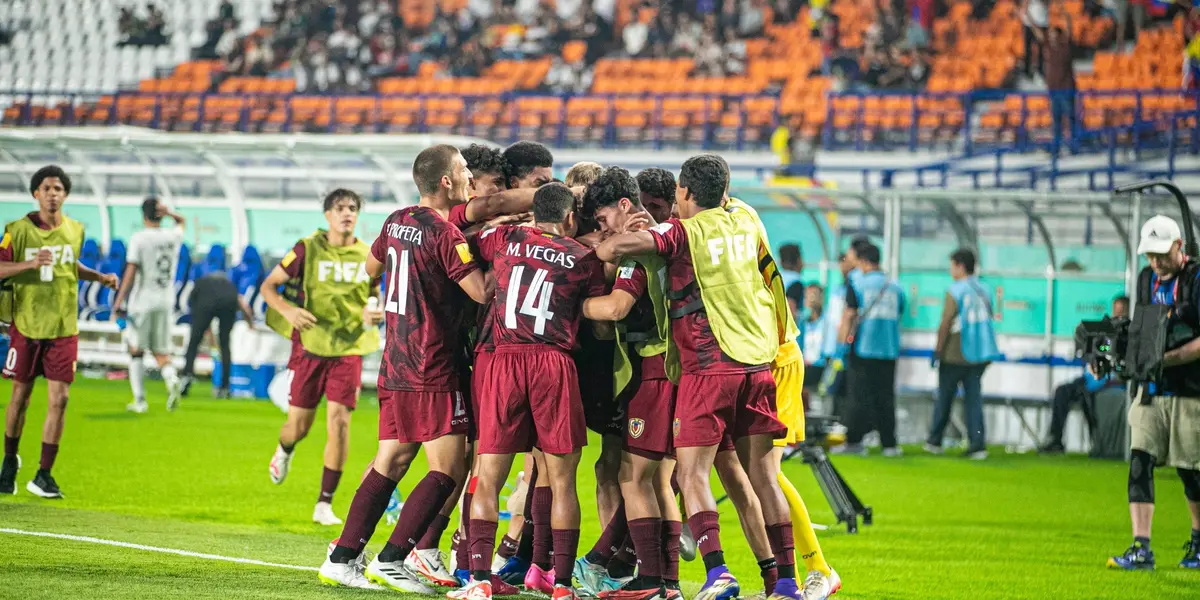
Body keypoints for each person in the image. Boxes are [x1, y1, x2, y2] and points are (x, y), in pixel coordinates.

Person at [596, 155, 804, 600]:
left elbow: (609, 251)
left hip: (707, 369)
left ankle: (718, 573)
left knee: (691, 475)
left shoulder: (680, 233)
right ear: (724, 192)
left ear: (684, 193)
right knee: (761, 478)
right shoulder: (746, 219)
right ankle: (783, 582)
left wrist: (634, 229)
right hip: (758, 366)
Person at [317, 145, 491, 591]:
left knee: (391, 460)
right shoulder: (445, 233)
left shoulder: (397, 221)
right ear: (447, 182)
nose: (471, 176)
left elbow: (372, 267)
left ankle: (342, 557)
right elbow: (482, 292)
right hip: (433, 365)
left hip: (394, 360)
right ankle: (393, 557)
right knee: (448, 470)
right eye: (464, 170)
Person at [454, 182, 606, 600]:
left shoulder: (506, 238)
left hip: (504, 360)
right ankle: (560, 584)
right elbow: (603, 325)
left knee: (488, 478)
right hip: (554, 365)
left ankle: (480, 579)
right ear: (570, 218)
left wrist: (505, 219)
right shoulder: (582, 258)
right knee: (562, 482)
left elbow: (462, 239)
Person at [574, 167, 683, 600]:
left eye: (602, 221)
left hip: (656, 370)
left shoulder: (639, 250)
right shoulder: (668, 235)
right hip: (677, 367)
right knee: (659, 480)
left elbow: (617, 309)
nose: (602, 230)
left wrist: (574, 305)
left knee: (632, 477)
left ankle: (649, 580)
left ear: (623, 206)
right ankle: (666, 580)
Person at [260, 189, 382, 527]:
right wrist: (290, 310)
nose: (347, 214)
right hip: (310, 346)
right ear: (327, 214)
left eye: (353, 209)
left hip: (348, 349)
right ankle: (284, 449)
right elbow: (269, 287)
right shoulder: (307, 248)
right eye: (340, 208)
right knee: (298, 426)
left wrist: (375, 311)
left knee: (340, 423)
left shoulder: (368, 254)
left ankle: (324, 503)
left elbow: (375, 295)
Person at [0, 165, 119, 498]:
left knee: (61, 399)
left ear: (65, 195)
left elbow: (71, 266)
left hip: (64, 327)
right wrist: (29, 265)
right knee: (20, 399)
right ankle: (9, 462)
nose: (53, 194)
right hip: (27, 324)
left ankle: (44, 474)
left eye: (59, 189)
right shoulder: (17, 231)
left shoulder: (75, 230)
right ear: (35, 193)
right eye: (46, 188)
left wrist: (100, 277)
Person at [1108, 215, 1200, 571]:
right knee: (1139, 462)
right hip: (1150, 389)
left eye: (1161, 254)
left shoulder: (1196, 280)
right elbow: (1144, 327)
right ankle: (1141, 547)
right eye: (1149, 255)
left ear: (1180, 246)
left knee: (1191, 471)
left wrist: (1168, 359)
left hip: (1190, 391)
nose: (1156, 263)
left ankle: (1197, 542)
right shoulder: (1147, 279)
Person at [925, 248, 1003, 460]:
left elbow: (946, 322)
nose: (951, 270)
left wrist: (938, 350)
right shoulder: (985, 289)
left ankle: (935, 440)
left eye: (952, 265)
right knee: (974, 401)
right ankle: (977, 445)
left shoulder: (956, 290)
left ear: (960, 266)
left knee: (944, 398)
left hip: (955, 352)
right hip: (978, 354)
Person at [110, 197, 186, 413]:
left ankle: (140, 401)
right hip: (166, 300)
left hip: (143, 301)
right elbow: (182, 221)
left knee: (136, 349)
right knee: (161, 350)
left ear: (143, 215)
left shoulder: (139, 238)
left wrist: (118, 302)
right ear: (160, 214)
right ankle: (171, 379)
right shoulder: (172, 236)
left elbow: (131, 273)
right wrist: (169, 213)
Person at [834, 242, 905, 457]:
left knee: (858, 396)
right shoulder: (895, 285)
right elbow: (900, 312)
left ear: (863, 261)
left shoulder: (857, 283)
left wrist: (841, 342)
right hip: (889, 349)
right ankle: (889, 444)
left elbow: (849, 314)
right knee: (885, 397)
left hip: (863, 348)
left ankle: (855, 442)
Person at [1040, 296, 1130, 454]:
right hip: (1089, 380)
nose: (1117, 316)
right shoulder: (1102, 333)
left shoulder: (1130, 335)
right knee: (1062, 391)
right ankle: (1055, 440)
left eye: (1121, 312)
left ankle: (1097, 445)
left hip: (1109, 382)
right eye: (1115, 311)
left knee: (1088, 398)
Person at [179, 270, 256, 399]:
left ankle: (186, 377)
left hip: (204, 303)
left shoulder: (202, 283)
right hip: (228, 302)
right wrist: (250, 322)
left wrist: (201, 326)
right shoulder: (229, 285)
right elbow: (242, 303)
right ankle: (224, 387)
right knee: (225, 344)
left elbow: (192, 304)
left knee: (193, 343)